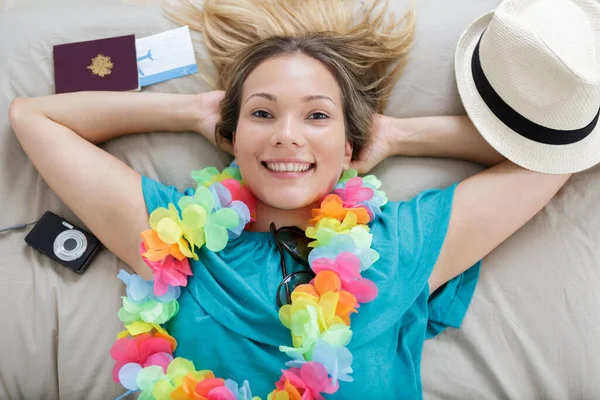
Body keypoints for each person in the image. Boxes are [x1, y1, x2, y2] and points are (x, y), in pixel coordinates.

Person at [7, 0, 573, 398]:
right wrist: (190, 111)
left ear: (350, 142)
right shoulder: (171, 233)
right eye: (261, 113)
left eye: (317, 115)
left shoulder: (401, 244)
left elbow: (555, 157)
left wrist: (398, 135)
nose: (286, 134)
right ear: (232, 137)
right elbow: (33, 118)